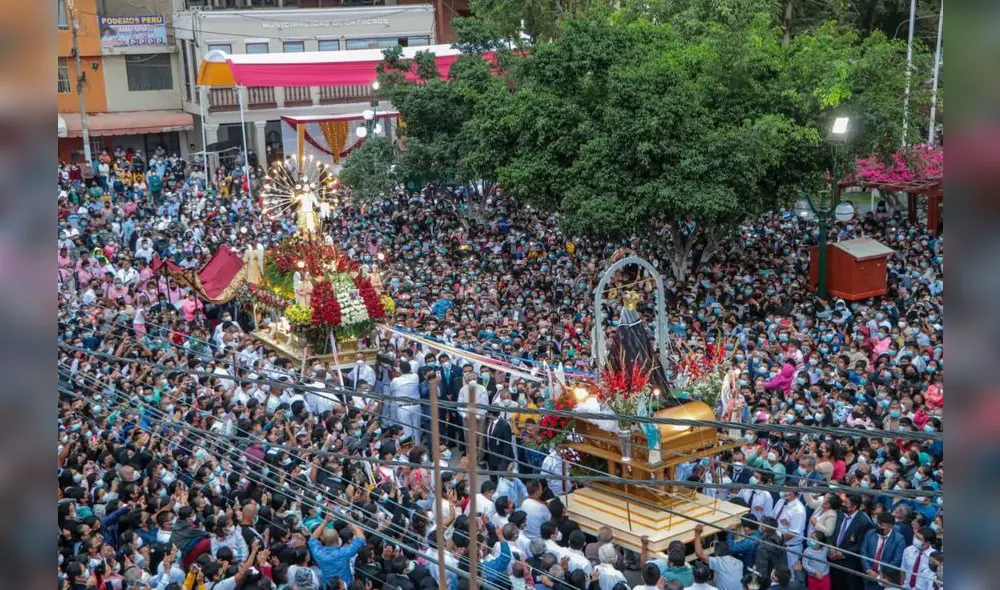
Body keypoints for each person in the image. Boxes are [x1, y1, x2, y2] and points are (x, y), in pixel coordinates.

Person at [828, 495, 872, 590]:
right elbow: (834, 533)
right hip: (834, 560)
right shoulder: (840, 514)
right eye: (843, 502)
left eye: (845, 503)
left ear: (854, 507)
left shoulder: (863, 522)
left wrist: (843, 554)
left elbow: (861, 545)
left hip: (850, 564)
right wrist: (831, 547)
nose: (842, 504)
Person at [861, 513, 906, 590]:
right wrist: (868, 570)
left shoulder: (899, 540)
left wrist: (881, 574)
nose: (879, 527)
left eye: (882, 525)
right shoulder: (870, 533)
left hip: (886, 580)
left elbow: (897, 560)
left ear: (890, 526)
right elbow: (863, 552)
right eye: (878, 524)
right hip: (869, 576)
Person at [693, 524, 742, 590]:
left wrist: (697, 534)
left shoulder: (720, 563)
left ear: (717, 555)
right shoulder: (740, 563)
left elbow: (699, 553)